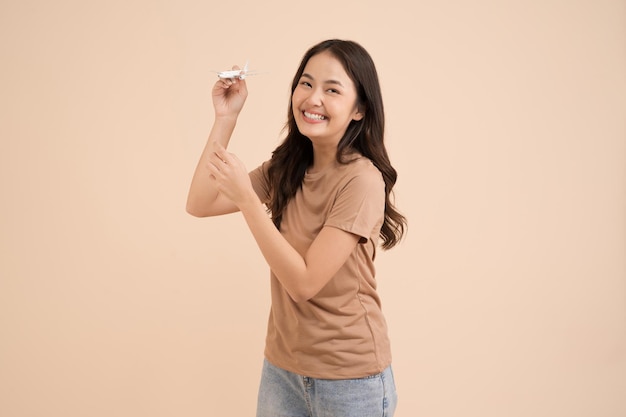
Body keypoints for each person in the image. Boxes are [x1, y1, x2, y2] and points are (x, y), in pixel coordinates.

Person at [186, 39, 407, 417]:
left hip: (350, 381)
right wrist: (226, 118)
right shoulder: (287, 167)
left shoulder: (362, 181)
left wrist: (248, 200)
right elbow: (200, 203)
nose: (313, 98)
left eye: (332, 90)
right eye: (306, 83)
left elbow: (304, 284)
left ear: (359, 110)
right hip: (282, 369)